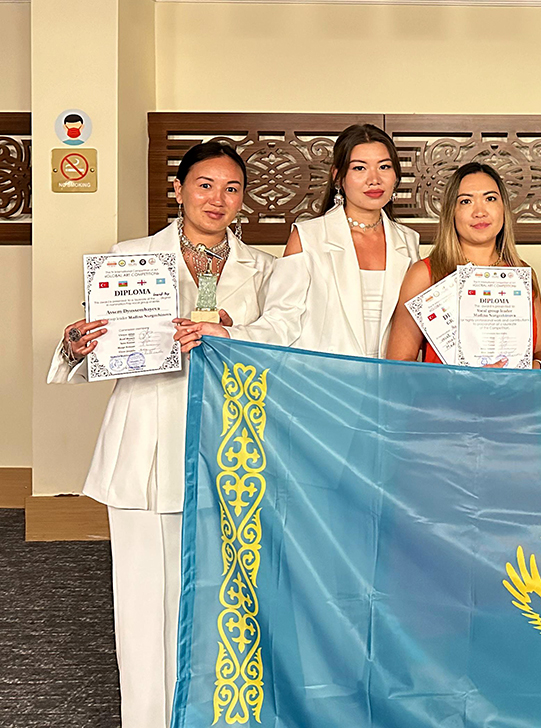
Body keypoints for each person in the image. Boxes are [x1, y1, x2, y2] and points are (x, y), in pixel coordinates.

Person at [49, 142, 274, 728]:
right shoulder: (129, 259)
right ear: (178, 190)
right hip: (144, 445)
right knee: (143, 599)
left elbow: (283, 343)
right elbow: (103, 349)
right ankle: (147, 718)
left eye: (231, 188)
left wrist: (231, 330)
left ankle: (209, 713)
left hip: (226, 444)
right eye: (204, 185)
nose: (217, 199)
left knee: (219, 598)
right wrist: (76, 346)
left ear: (242, 200)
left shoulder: (264, 269)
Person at [176, 123, 420, 357]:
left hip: (391, 379)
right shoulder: (308, 237)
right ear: (338, 177)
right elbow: (281, 321)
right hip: (323, 380)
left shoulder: (408, 241)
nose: (374, 179)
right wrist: (229, 335)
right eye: (359, 168)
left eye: (384, 167)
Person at [385, 162, 541, 369]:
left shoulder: (521, 274)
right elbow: (399, 363)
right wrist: (461, 378)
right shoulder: (426, 274)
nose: (479, 212)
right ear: (452, 212)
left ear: (503, 209)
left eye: (490, 199)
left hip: (515, 390)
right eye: (466, 201)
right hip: (446, 391)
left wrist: (537, 365)